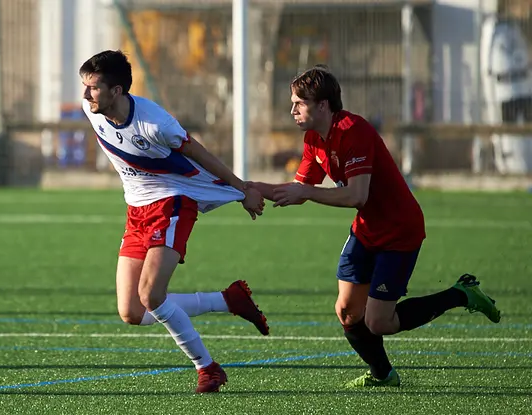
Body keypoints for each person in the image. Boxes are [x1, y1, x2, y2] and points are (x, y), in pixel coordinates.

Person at [250, 65, 501, 388]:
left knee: (379, 321)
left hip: (399, 230)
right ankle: (383, 374)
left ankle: (460, 294)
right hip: (367, 231)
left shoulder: (354, 131)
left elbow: (357, 195)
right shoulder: (314, 138)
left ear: (323, 105)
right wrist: (244, 187)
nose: (292, 110)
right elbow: (296, 190)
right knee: (347, 312)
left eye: (299, 102)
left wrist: (307, 192)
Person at [79, 50, 269, 393]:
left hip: (172, 204)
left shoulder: (156, 124)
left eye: (92, 87)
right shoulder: (92, 110)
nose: (85, 94)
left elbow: (201, 154)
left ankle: (207, 368)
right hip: (136, 212)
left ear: (117, 91)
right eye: (84, 86)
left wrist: (242, 190)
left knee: (151, 294)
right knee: (132, 311)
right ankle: (228, 300)